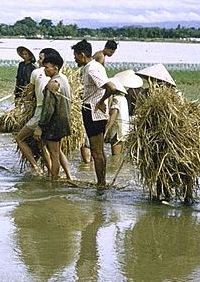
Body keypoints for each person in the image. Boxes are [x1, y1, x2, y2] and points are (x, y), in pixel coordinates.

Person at [72, 39, 117, 187]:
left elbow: (111, 88)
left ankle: (101, 184)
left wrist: (100, 102)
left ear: (83, 55)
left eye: (76, 55)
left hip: (93, 112)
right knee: (99, 151)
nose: (74, 58)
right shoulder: (92, 66)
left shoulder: (92, 69)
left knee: (96, 152)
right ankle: (101, 182)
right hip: (91, 110)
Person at [33, 48, 73, 181]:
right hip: (64, 120)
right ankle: (68, 177)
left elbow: (48, 109)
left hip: (54, 123)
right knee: (58, 151)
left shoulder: (52, 84)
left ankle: (54, 181)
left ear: (55, 68)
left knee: (54, 154)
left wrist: (40, 126)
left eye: (47, 67)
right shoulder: (64, 79)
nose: (44, 70)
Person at [15, 47, 54, 173]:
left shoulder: (36, 72)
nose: (38, 60)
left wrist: (25, 104)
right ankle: (53, 173)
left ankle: (36, 167)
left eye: (41, 58)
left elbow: (29, 94)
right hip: (52, 114)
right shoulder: (58, 74)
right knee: (44, 144)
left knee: (19, 139)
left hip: (40, 113)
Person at [103, 70, 143, 156]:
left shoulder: (117, 99)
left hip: (117, 131)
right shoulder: (123, 99)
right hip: (124, 131)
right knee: (120, 155)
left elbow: (113, 115)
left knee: (116, 156)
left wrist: (106, 130)